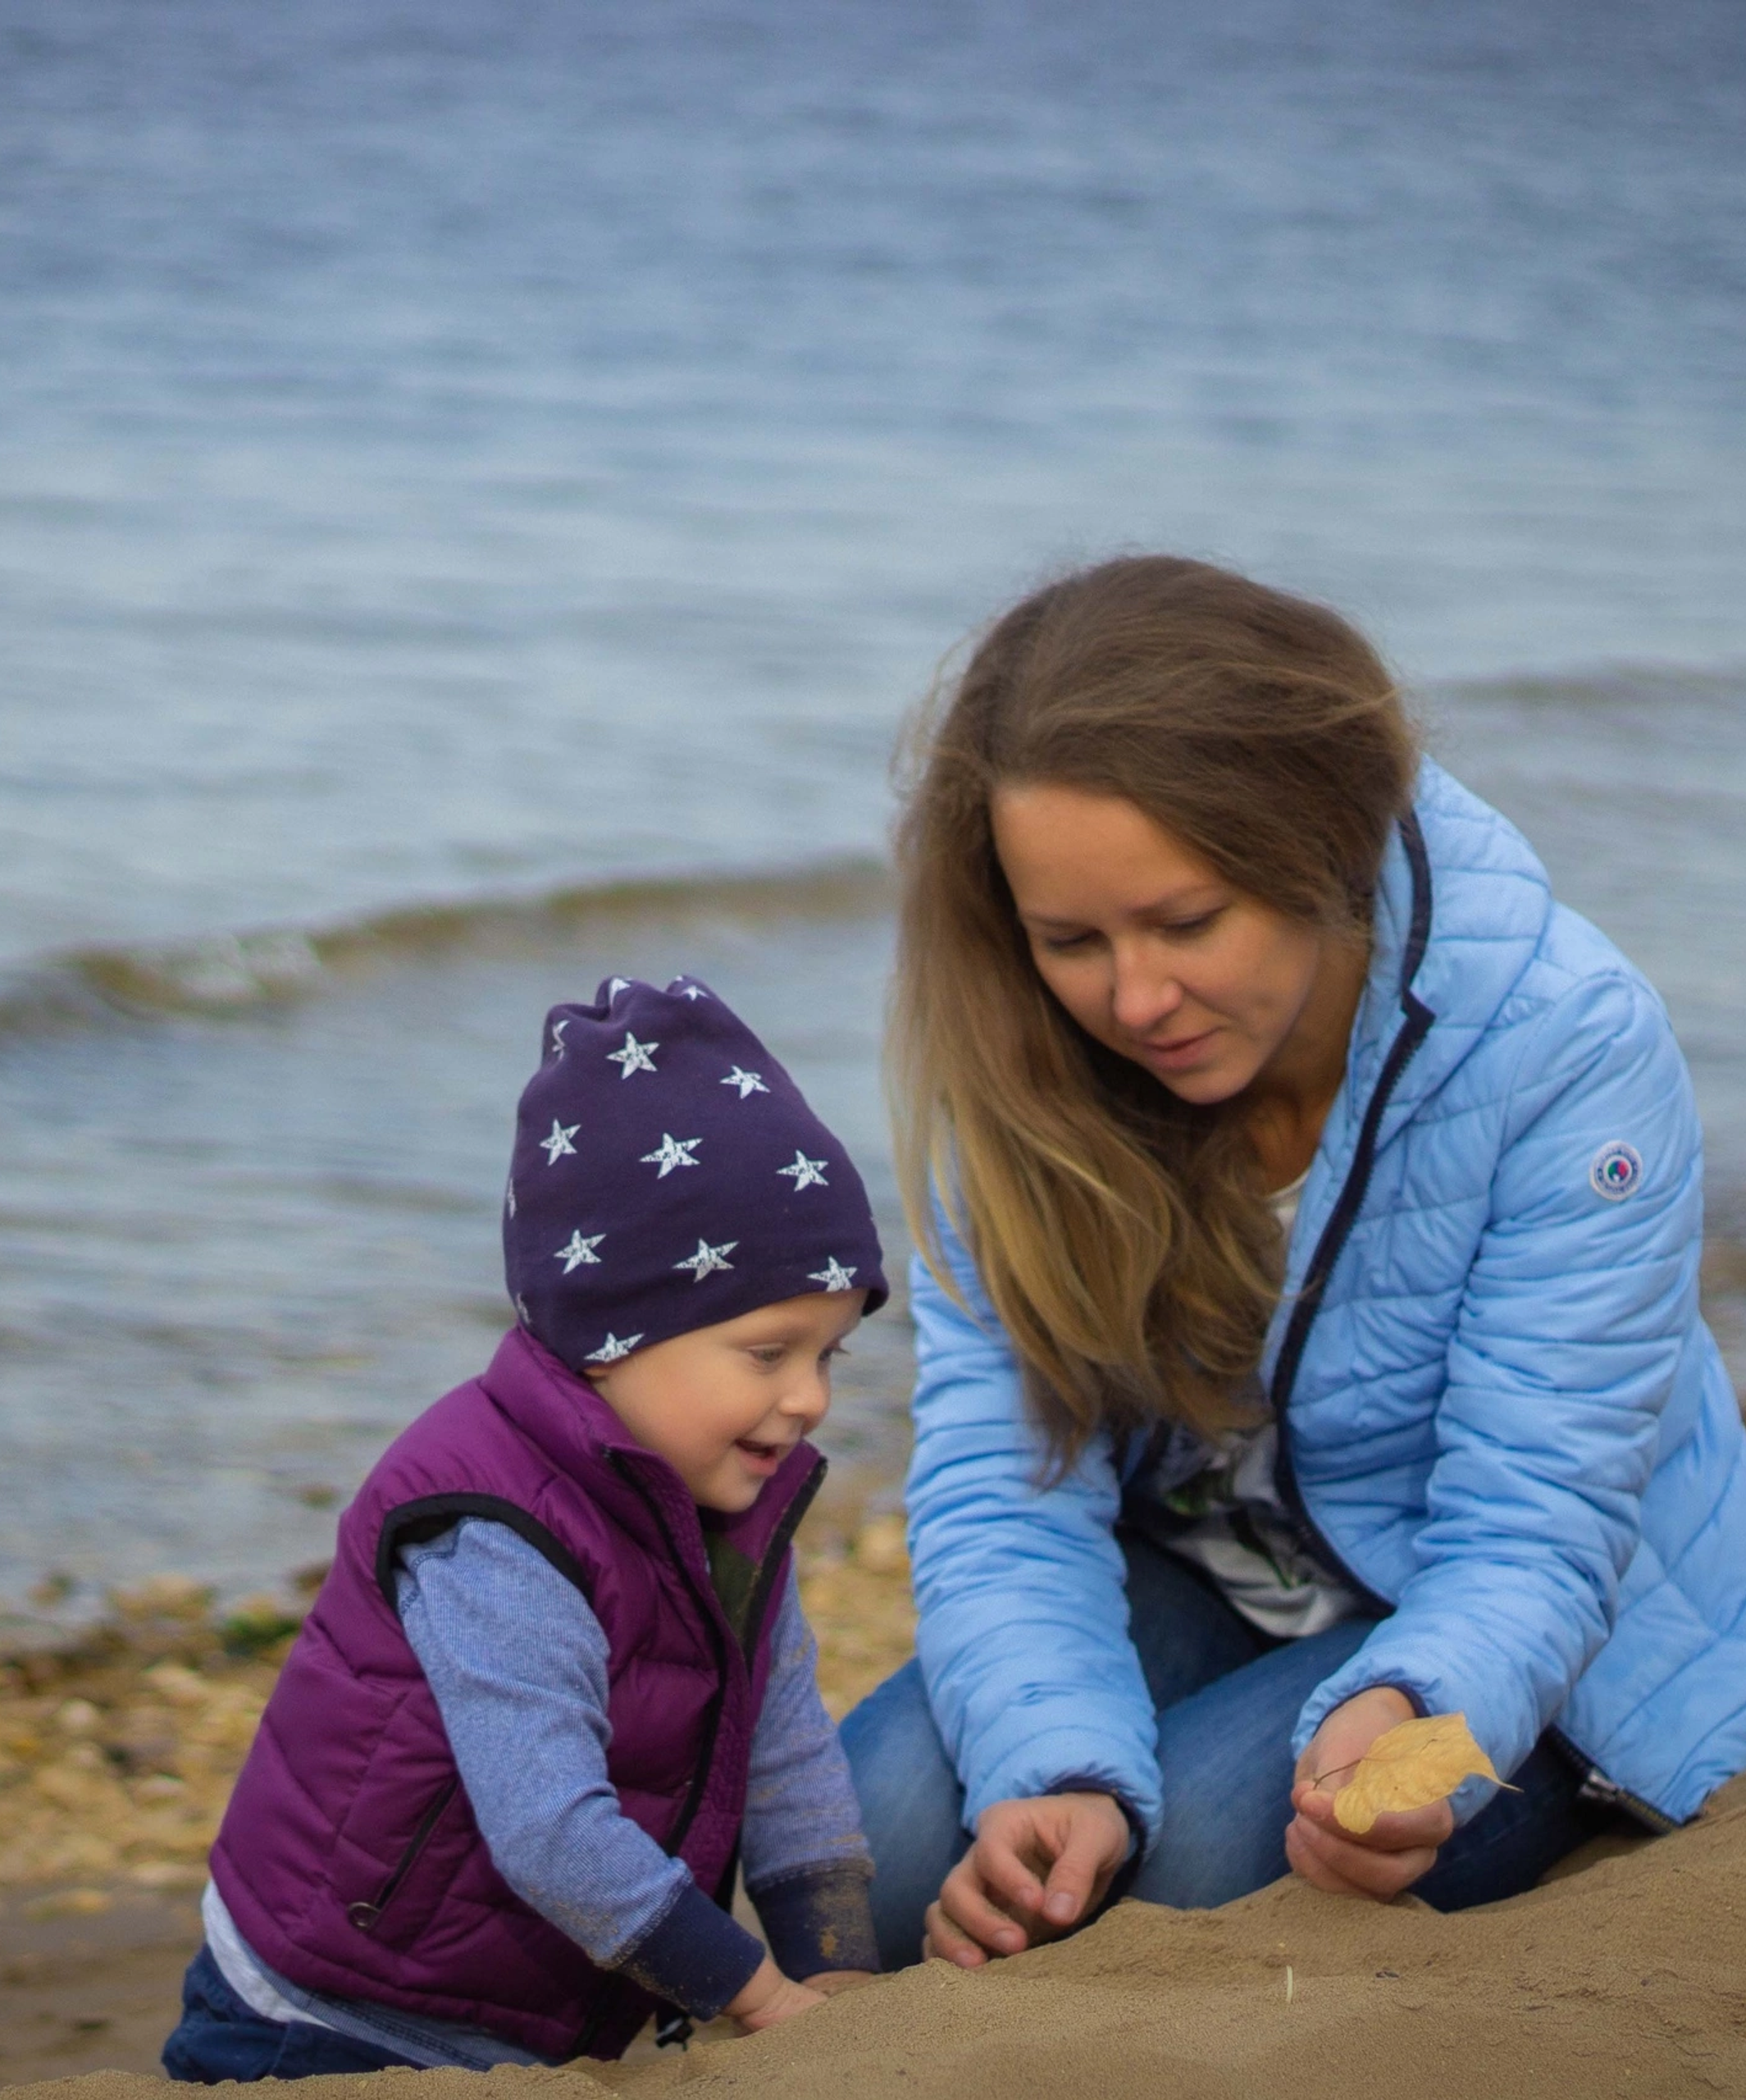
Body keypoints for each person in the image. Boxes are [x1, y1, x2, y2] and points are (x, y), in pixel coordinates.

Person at [841, 555, 1746, 1973]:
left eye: (1188, 922)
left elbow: (1538, 1525)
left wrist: (1414, 1715)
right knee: (873, 1847)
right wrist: (1051, 1767)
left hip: (1499, 1618)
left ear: (1326, 844)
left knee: (1192, 1879)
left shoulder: (1568, 1047)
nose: (1136, 999)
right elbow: (1003, 1488)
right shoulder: (1023, 1055)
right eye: (1071, 940)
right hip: (1205, 1566)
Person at [166, 975, 886, 2080]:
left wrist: (836, 1970)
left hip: (524, 2026)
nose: (810, 1400)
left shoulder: (738, 1505)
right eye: (767, 1354)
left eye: (829, 1355)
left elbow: (785, 1750)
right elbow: (551, 1831)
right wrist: (759, 1998)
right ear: (612, 1335)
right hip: (326, 2017)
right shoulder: (494, 1528)